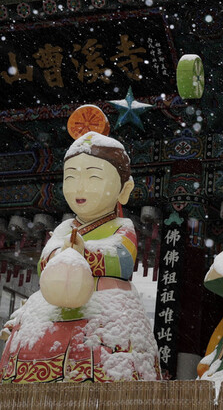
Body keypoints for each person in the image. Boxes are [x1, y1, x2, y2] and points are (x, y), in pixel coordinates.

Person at [0, 130, 160, 383]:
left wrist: (83, 254)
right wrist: (63, 255)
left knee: (106, 369)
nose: (80, 187)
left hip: (106, 306)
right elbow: (44, 264)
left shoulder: (123, 226)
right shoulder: (64, 228)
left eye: (94, 177)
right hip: (49, 310)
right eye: (71, 178)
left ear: (124, 189)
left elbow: (122, 260)